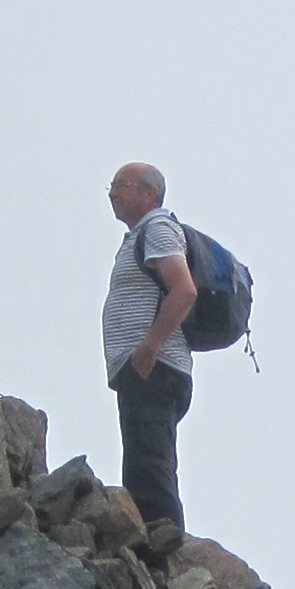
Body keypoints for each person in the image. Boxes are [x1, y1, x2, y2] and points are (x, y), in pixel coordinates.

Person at [102, 162, 194, 535]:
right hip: (147, 368)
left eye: (121, 185)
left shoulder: (156, 228)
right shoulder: (142, 235)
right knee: (143, 455)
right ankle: (150, 535)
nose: (112, 193)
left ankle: (161, 537)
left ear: (149, 193)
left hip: (155, 367)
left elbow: (184, 290)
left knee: (149, 458)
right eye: (111, 185)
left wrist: (148, 349)